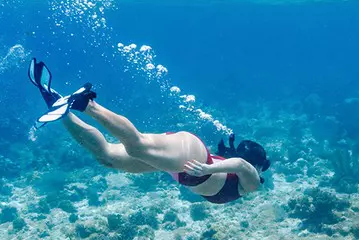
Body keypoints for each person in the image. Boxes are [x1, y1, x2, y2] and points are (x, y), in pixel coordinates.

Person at [28, 59, 269, 205]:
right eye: (260, 167)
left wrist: (209, 169)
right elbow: (239, 164)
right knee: (137, 145)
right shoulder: (252, 182)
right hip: (194, 158)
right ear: (257, 165)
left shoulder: (235, 176)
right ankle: (86, 104)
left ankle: (55, 101)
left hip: (182, 169)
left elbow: (236, 162)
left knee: (107, 158)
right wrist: (208, 168)